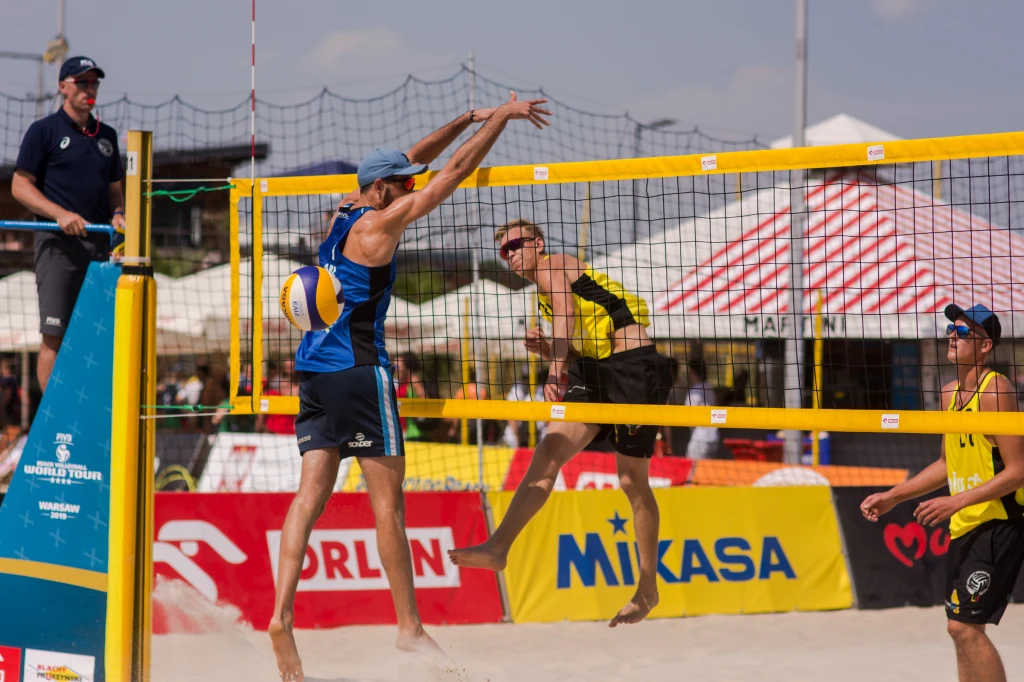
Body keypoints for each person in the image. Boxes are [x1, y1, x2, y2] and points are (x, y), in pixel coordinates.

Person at [269, 92, 552, 682]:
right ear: (381, 191)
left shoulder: (346, 206)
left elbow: (417, 157)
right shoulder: (380, 220)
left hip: (314, 371)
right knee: (388, 509)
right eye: (399, 184)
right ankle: (409, 629)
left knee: (308, 498)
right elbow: (453, 171)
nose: (406, 187)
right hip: (359, 370)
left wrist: (462, 118)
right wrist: (501, 117)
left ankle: (279, 616)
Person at [448, 218, 674, 628]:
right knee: (549, 450)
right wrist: (552, 351)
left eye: (516, 245)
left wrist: (554, 364)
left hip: (634, 367)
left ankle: (647, 587)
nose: (511, 254)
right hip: (594, 370)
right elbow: (577, 346)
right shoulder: (543, 296)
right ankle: (499, 546)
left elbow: (568, 312)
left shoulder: (556, 265)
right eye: (503, 250)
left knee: (631, 481)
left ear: (538, 242)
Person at [860, 303, 1024, 682]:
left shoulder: (996, 390)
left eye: (964, 332)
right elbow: (949, 463)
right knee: (961, 627)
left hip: (999, 522)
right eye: (952, 329)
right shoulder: (949, 393)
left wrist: (957, 500)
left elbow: (1018, 471)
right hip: (966, 524)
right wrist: (895, 496)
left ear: (985, 346)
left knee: (963, 627)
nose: (953, 335)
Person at [11, 56, 125, 391]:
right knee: (54, 337)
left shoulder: (108, 136)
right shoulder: (43, 131)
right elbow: (19, 186)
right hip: (57, 245)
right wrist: (59, 214)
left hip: (100, 246)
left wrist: (119, 214)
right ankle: (54, 420)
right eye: (82, 82)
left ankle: (86, 410)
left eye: (94, 83)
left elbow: (114, 192)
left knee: (95, 336)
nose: (90, 89)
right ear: (63, 87)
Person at [682, 359, 719, 460]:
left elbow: (689, 420)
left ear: (692, 372)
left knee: (692, 472)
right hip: (713, 438)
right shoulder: (710, 388)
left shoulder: (694, 392)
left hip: (700, 439)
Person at [393, 352, 428, 442]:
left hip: (414, 429)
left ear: (406, 366)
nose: (395, 369)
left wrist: (419, 415)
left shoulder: (414, 380)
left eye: (398, 366)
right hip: (401, 429)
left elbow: (424, 398)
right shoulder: (400, 382)